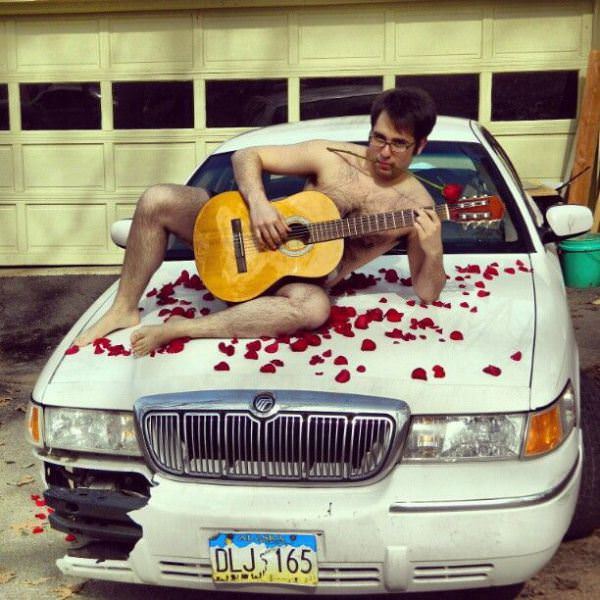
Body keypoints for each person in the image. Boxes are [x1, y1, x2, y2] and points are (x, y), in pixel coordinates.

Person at [74, 87, 446, 356]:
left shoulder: (418, 206)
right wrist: (259, 205)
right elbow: (246, 156)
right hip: (245, 244)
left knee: (315, 308)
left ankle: (179, 330)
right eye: (378, 138)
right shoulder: (331, 156)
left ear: (421, 146)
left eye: (398, 144)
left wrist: (432, 251)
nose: (383, 152)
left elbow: (428, 292)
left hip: (295, 285)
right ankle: (124, 308)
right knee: (158, 199)